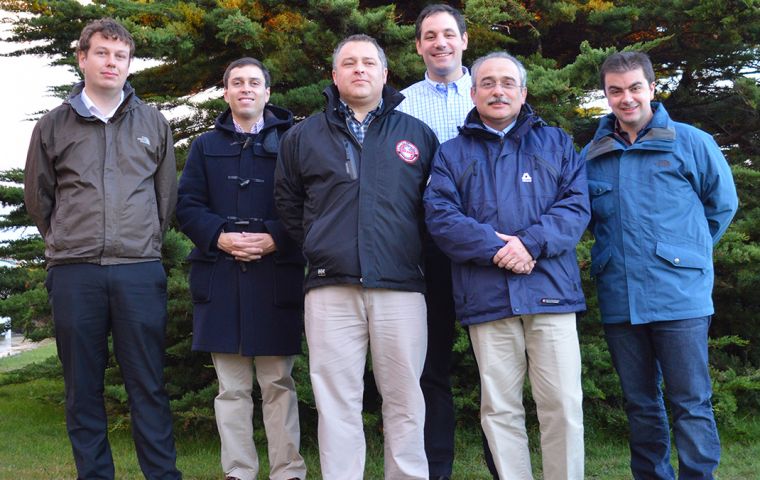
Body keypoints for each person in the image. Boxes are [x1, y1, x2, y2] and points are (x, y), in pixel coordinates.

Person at [275, 34, 439, 480]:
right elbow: (288, 203)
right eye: (349, 63)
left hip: (400, 287)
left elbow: (434, 210)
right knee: (337, 401)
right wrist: (317, 242)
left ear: (385, 75)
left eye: (369, 63)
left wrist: (406, 251)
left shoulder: (417, 135)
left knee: (405, 398)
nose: (360, 69)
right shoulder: (302, 136)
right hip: (330, 287)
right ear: (335, 75)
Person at [23, 18, 181, 480]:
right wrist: (64, 242)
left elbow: (164, 197)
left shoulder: (154, 123)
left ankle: (163, 475)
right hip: (75, 273)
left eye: (120, 56)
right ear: (83, 58)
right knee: (82, 388)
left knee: (148, 385)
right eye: (102, 53)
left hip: (138, 271)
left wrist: (144, 242)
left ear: (129, 64)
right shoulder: (53, 126)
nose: (111, 63)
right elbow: (39, 198)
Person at [424, 51, 588, 480]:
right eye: (488, 83)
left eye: (507, 82)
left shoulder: (556, 143)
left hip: (550, 292)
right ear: (473, 92)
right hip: (486, 296)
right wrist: (496, 249)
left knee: (563, 405)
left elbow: (575, 207)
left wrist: (530, 244)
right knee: (499, 408)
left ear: (523, 91)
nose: (498, 91)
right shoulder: (451, 153)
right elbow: (440, 216)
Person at [581, 51, 738, 480]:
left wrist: (685, 254)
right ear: (606, 95)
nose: (626, 98)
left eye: (635, 88)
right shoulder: (591, 155)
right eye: (615, 91)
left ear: (652, 88)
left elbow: (721, 207)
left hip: (680, 297)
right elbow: (584, 220)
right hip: (620, 296)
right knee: (640, 403)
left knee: (691, 402)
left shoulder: (691, 142)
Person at [176, 57, 306, 480]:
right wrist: (219, 237)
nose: (246, 88)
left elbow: (308, 202)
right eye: (237, 82)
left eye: (254, 82)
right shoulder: (204, 146)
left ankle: (287, 470)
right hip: (221, 277)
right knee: (230, 389)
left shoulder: (293, 141)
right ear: (226, 92)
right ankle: (238, 470)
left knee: (278, 387)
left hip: (275, 278)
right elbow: (187, 205)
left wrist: (274, 237)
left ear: (268, 92)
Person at [396, 5, 497, 479]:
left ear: (464, 40)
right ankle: (437, 471)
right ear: (418, 45)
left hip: (488, 250)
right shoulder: (401, 104)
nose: (440, 42)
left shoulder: (492, 92)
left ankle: (504, 466)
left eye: (448, 34)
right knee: (431, 368)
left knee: (495, 371)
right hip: (427, 253)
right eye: (430, 35)